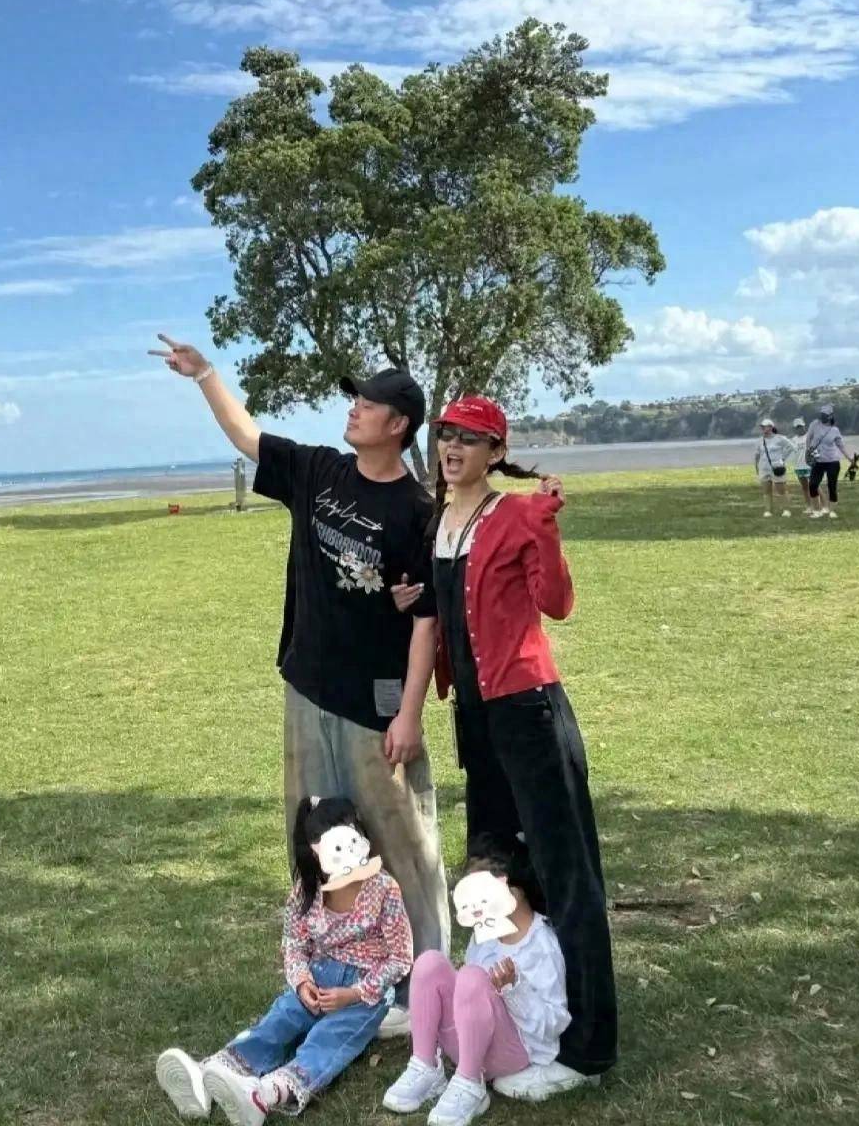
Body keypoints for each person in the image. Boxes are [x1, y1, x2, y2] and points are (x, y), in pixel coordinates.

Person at [150, 336, 451, 1024]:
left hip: (375, 704)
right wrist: (205, 375)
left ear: (398, 424)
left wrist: (409, 714)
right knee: (319, 835)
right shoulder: (318, 470)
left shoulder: (416, 511)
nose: (354, 409)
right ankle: (330, 972)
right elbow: (247, 436)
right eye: (355, 399)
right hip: (308, 686)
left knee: (401, 839)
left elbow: (426, 621)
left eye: (367, 403)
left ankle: (423, 985)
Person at [391, 394, 616, 1093]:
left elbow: (557, 604)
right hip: (478, 719)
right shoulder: (439, 523)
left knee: (565, 873)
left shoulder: (518, 513)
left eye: (469, 438)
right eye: (445, 436)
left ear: (496, 451)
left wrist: (546, 529)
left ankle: (586, 1051)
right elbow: (444, 614)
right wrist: (411, 601)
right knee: (494, 872)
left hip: (529, 712)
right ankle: (513, 1019)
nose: (452, 448)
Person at [156, 796, 413, 1123]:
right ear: (316, 852)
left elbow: (401, 956)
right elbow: (294, 944)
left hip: (365, 995)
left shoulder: (384, 888)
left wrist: (354, 993)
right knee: (279, 1020)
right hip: (317, 979)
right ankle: (207, 1074)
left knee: (327, 1041)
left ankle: (264, 1095)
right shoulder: (307, 891)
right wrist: (302, 982)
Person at [383, 842, 570, 1125]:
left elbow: (553, 1024)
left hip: (514, 1053)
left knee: (471, 976)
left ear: (514, 891)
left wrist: (514, 989)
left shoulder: (541, 944)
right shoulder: (484, 937)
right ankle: (425, 1065)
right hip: (470, 1042)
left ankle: (471, 1084)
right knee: (429, 963)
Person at [805, 404, 853, 520]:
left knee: (832, 485)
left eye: (825, 415)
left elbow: (840, 445)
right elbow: (808, 438)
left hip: (832, 461)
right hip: (818, 460)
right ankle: (817, 510)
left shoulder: (834, 430)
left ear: (830, 416)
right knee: (813, 485)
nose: (823, 417)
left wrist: (849, 458)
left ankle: (832, 511)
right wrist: (808, 451)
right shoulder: (814, 424)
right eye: (822, 414)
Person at [753, 418, 794, 518]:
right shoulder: (760, 441)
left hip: (777, 468)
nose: (763, 429)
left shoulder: (780, 438)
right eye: (762, 427)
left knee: (781, 490)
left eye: (765, 427)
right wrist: (757, 468)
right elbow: (757, 455)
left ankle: (786, 509)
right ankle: (768, 510)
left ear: (771, 427)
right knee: (766, 491)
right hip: (764, 468)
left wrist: (782, 458)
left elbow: (791, 447)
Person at [789, 417, 812, 512]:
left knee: (814, 487)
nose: (800, 429)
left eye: (801, 426)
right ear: (795, 428)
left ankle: (821, 506)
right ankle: (809, 506)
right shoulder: (793, 440)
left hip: (809, 466)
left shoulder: (809, 437)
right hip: (799, 466)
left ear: (804, 426)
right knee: (805, 488)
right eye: (797, 427)